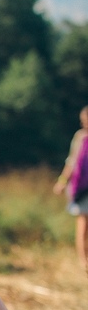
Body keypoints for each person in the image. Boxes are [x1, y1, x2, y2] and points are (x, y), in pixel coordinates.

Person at [53, 106, 88, 275]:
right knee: (82, 224)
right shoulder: (80, 137)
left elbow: (71, 162)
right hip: (82, 188)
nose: (83, 123)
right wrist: (62, 181)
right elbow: (72, 162)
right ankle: (84, 262)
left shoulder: (81, 137)